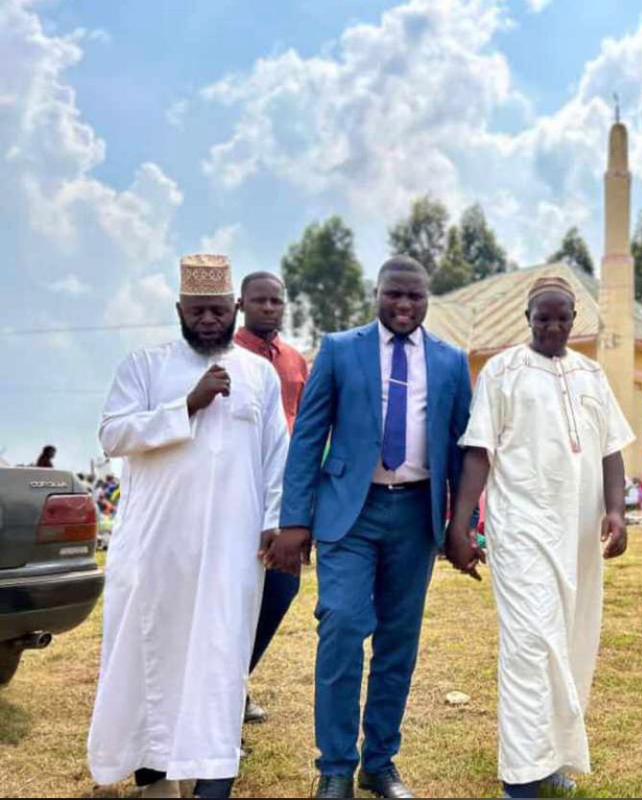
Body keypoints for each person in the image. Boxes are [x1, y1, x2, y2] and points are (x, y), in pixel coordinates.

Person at [265, 255, 472, 799]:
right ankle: (335, 766)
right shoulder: (340, 349)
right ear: (376, 293)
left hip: (416, 517)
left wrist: (461, 524)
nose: (404, 305)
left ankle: (379, 764)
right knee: (342, 625)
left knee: (398, 641)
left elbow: (458, 449)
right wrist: (294, 520)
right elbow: (308, 436)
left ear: (429, 300)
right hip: (348, 514)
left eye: (415, 297)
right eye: (394, 295)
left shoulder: (452, 362)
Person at [87, 254, 289, 799]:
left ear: (236, 309)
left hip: (232, 547)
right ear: (179, 309)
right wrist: (187, 405)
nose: (207, 320)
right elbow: (113, 436)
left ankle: (207, 772)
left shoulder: (260, 375)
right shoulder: (144, 365)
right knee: (153, 653)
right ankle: (153, 775)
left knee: (218, 654)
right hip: (157, 545)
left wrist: (273, 521)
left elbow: (276, 455)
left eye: (218, 310)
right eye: (197, 310)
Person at [445, 275, 634, 799]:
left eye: (563, 318)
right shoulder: (502, 372)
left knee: (571, 643)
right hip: (523, 528)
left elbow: (611, 451)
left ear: (576, 321)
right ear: (527, 318)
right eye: (543, 317)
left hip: (579, 536)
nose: (553, 326)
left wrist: (616, 512)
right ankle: (520, 775)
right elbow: (478, 451)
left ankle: (550, 756)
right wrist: (461, 525)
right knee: (530, 644)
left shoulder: (592, 374)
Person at [234, 270, 310, 725]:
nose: (268, 307)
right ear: (241, 305)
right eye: (259, 301)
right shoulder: (226, 355)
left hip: (289, 495)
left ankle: (235, 681)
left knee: (282, 588)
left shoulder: (296, 361)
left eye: (275, 301)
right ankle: (221, 692)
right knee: (233, 596)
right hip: (239, 491)